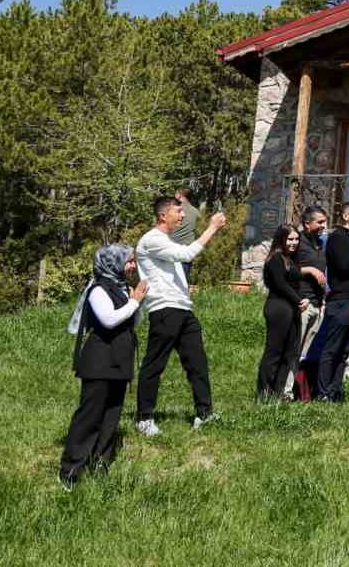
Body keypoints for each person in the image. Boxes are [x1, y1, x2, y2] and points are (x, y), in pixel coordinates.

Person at [134, 195, 227, 435]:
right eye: (179, 211)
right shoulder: (151, 240)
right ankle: (144, 418)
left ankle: (204, 414)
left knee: (197, 363)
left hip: (183, 309)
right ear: (163, 215)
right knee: (155, 364)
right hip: (164, 310)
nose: (183, 215)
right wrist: (212, 228)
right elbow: (187, 255)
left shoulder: (167, 240)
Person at [60, 244, 148, 488]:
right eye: (128, 261)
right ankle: (70, 471)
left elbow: (133, 321)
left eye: (132, 261)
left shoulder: (121, 288)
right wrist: (133, 302)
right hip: (99, 361)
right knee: (90, 416)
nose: (132, 265)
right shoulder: (98, 289)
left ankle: (100, 463)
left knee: (112, 415)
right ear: (113, 262)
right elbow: (109, 320)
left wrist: (137, 301)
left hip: (120, 360)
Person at [316, 202, 349, 402]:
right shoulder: (337, 237)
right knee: (332, 348)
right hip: (340, 300)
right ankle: (322, 392)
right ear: (346, 217)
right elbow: (344, 266)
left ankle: (335, 391)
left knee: (345, 350)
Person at [257, 224, 305, 401]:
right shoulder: (276, 259)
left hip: (292, 309)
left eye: (296, 239)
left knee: (289, 352)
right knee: (274, 352)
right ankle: (264, 393)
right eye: (290, 239)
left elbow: (295, 283)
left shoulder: (291, 259)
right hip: (279, 308)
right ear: (281, 239)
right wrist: (299, 300)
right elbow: (281, 285)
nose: (293, 243)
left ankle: (277, 393)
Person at [288, 206, 328, 400]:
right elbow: (285, 267)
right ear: (307, 224)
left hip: (317, 304)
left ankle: (301, 393)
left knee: (307, 353)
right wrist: (309, 269)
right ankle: (285, 393)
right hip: (301, 303)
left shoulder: (320, 244)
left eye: (324, 222)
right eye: (319, 222)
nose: (323, 226)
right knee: (294, 350)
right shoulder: (297, 242)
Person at [172, 188, 201, 280]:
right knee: (182, 282)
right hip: (187, 251)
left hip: (171, 250)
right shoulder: (196, 212)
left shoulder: (173, 210)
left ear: (179, 195)